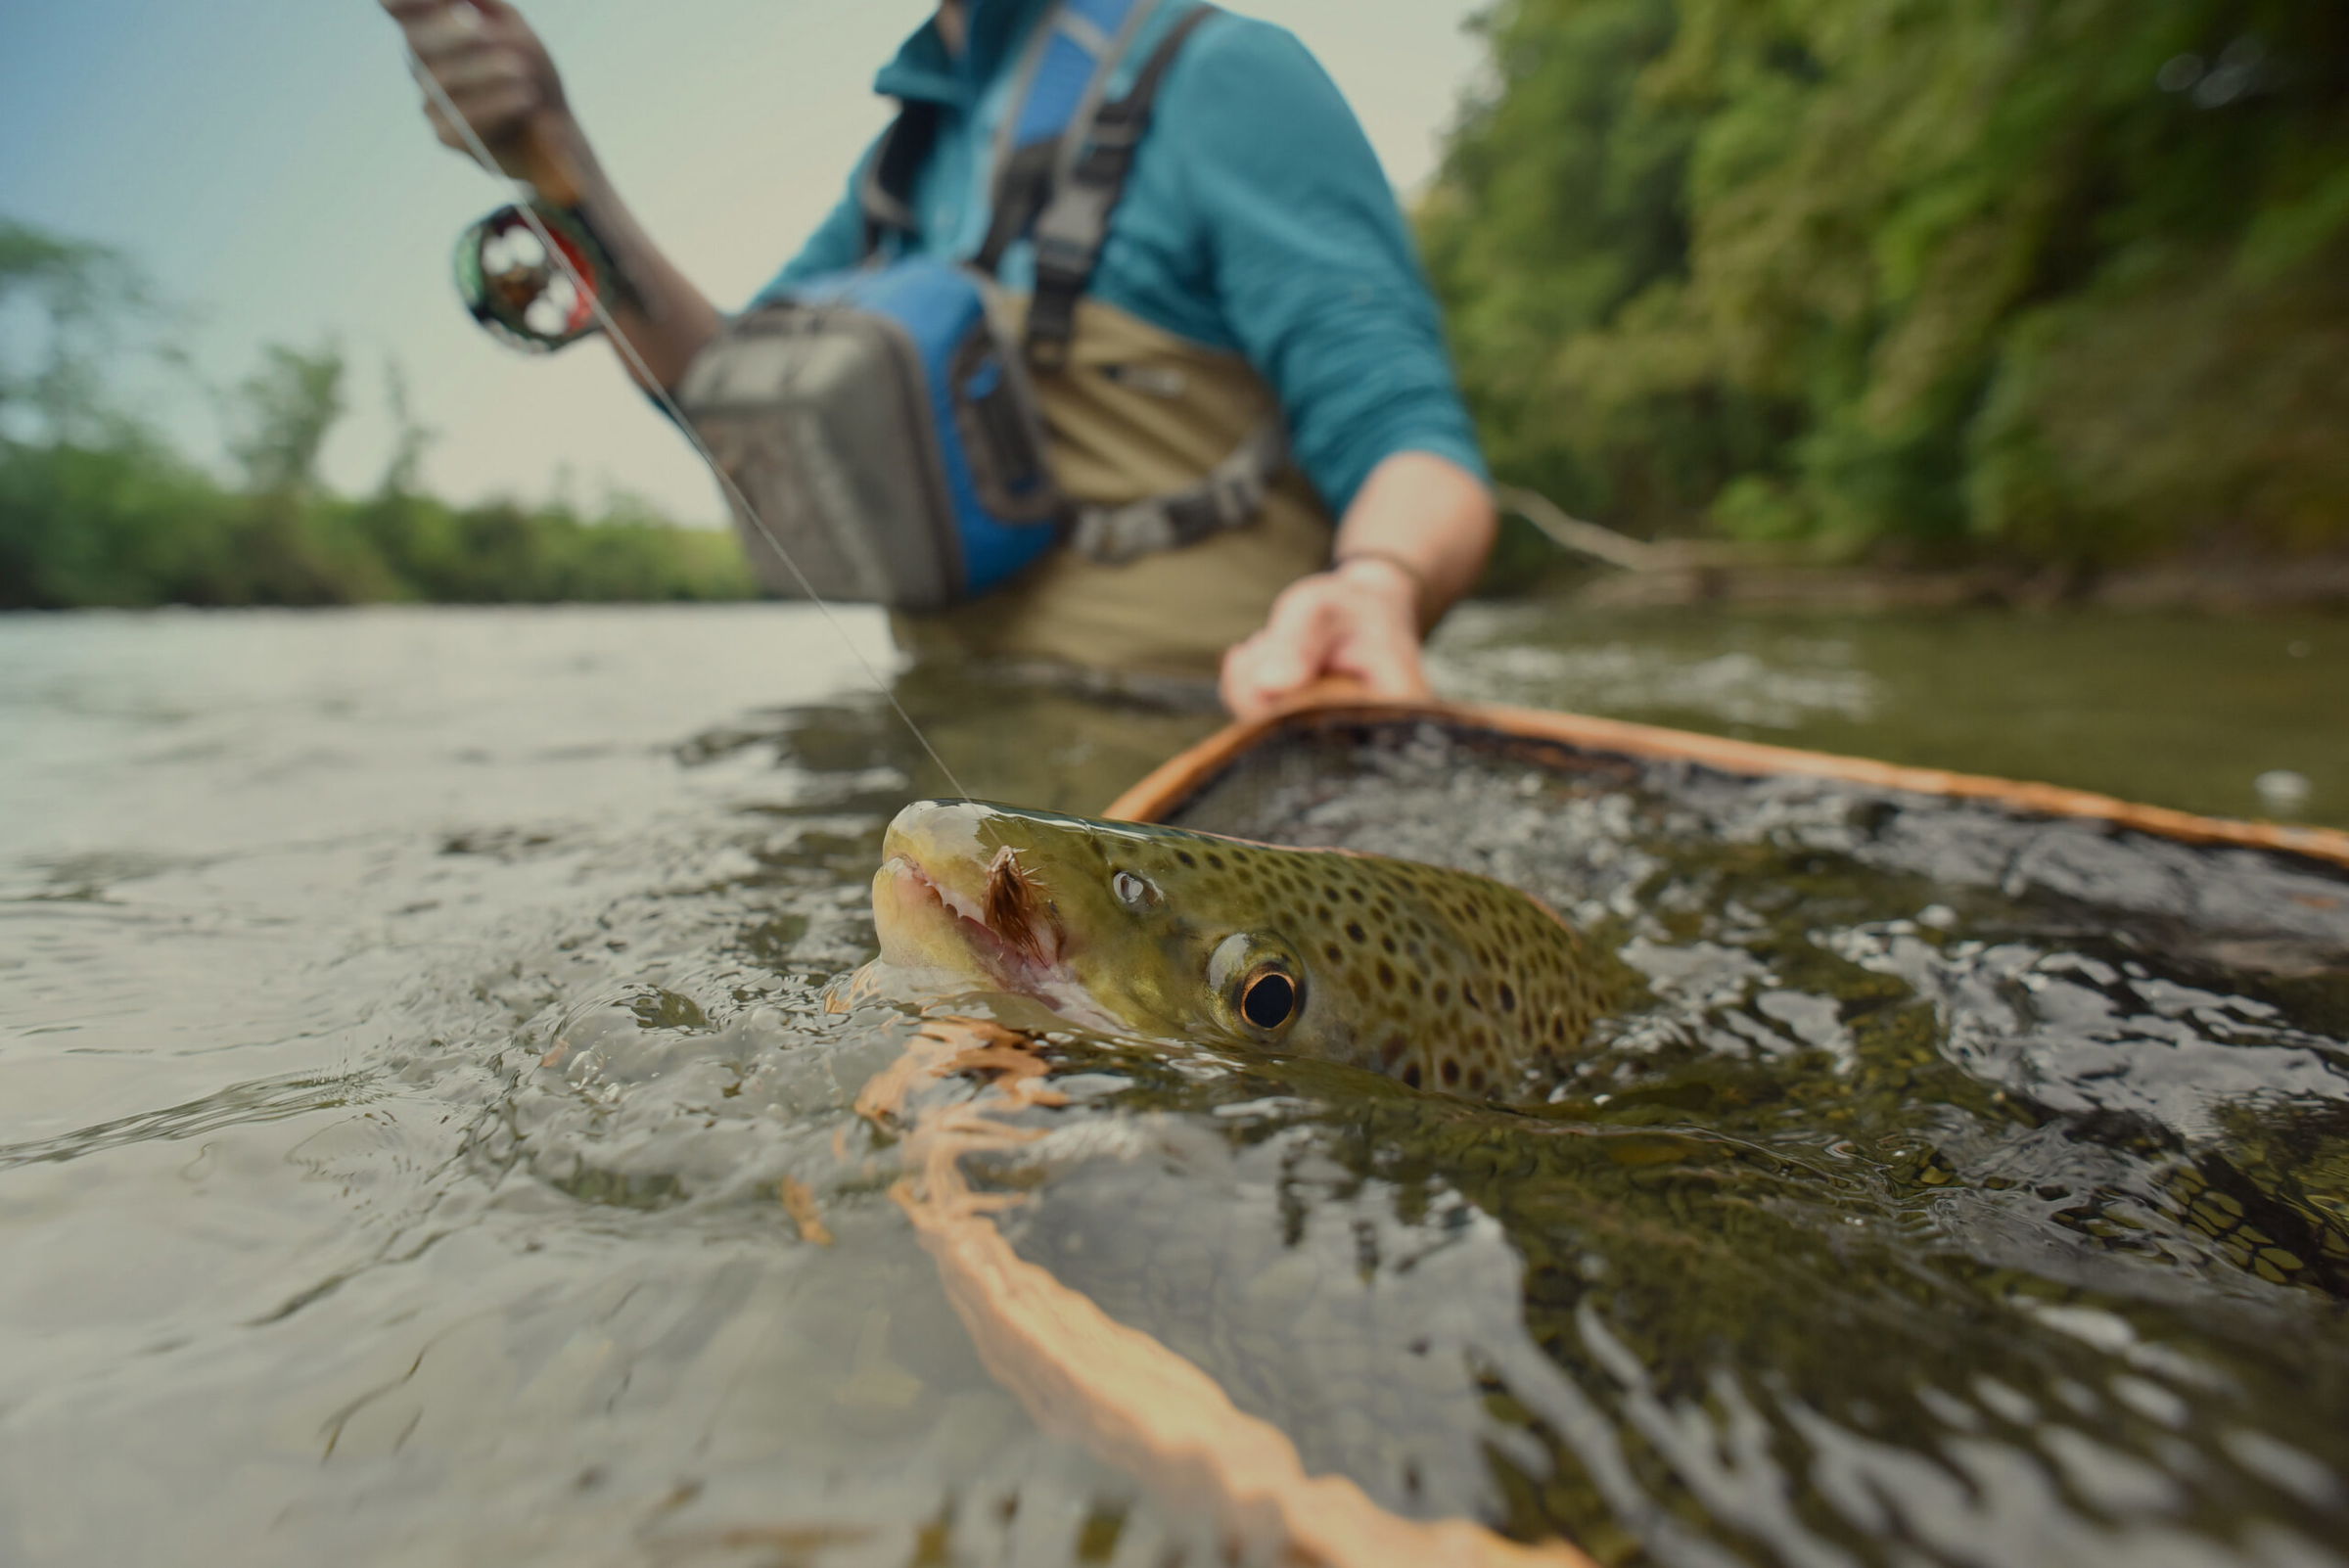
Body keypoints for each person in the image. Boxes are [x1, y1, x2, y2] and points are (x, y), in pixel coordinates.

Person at [383, 0, 1497, 718]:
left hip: (1203, 761)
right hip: (948, 749)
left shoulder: (1229, 74)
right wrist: (561, 166)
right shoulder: (901, 166)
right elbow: (727, 400)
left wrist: (1379, 582)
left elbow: (1416, 446)